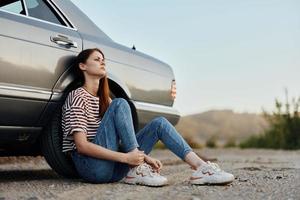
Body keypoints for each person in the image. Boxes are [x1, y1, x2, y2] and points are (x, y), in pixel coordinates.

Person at [61, 48, 234, 186]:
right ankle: (136, 169)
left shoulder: (106, 101)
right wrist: (128, 159)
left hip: (114, 169)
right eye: (97, 59)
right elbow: (82, 146)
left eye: (103, 60)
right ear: (83, 66)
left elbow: (116, 142)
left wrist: (144, 157)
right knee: (121, 103)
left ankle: (201, 168)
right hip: (92, 168)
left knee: (159, 123)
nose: (102, 62)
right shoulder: (77, 96)